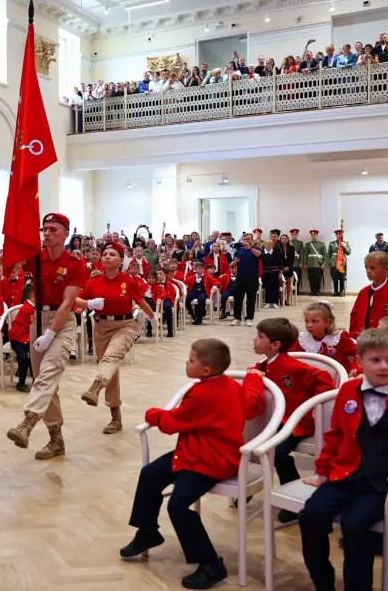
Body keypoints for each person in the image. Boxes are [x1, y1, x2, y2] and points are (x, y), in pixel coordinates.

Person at [120, 339, 264, 589]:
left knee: (178, 505)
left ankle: (210, 563)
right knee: (150, 474)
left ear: (206, 370)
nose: (187, 363)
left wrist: (151, 414)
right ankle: (148, 532)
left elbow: (171, 423)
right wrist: (254, 378)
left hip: (211, 460)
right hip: (192, 452)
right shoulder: (232, 386)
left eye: (191, 360)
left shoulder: (202, 394)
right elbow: (253, 403)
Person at [298, 329, 388, 591]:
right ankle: (323, 582)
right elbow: (335, 434)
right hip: (344, 475)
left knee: (356, 526)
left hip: (378, 483)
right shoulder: (348, 389)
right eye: (375, 360)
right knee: (311, 516)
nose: (384, 366)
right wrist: (323, 470)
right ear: (359, 362)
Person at [6, 213, 86, 458]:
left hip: (62, 322)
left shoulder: (75, 263)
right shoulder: (36, 259)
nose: (47, 233)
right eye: (44, 229)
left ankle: (28, 421)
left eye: (53, 229)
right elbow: (10, 264)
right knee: (44, 380)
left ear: (65, 233)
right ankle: (56, 439)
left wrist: (51, 333)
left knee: (49, 372)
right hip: (37, 319)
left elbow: (68, 303)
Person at [250, 317, 336, 523]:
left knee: (278, 453)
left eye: (260, 337)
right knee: (249, 442)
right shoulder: (263, 365)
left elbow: (324, 378)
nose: (254, 340)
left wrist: (317, 407)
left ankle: (293, 495)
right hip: (275, 422)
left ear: (275, 345)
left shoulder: (293, 366)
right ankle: (249, 485)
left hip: (296, 423)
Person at [78, 241, 157, 434]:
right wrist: (89, 303)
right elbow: (76, 301)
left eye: (112, 254)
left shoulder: (128, 281)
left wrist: (153, 318)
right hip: (101, 327)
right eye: (104, 254)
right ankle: (116, 417)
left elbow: (140, 301)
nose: (106, 257)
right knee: (110, 370)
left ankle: (96, 387)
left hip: (125, 325)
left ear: (121, 260)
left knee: (110, 358)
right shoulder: (94, 282)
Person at [290, 300, 357, 375]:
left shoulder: (340, 337)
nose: (309, 325)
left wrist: (354, 367)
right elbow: (291, 357)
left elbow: (360, 354)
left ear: (327, 323)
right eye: (307, 321)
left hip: (337, 379)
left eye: (314, 321)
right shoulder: (302, 339)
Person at [349, 251, 388, 338]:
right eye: (366, 268)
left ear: (386, 269)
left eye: (373, 268)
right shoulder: (363, 292)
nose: (368, 271)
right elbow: (354, 317)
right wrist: (353, 338)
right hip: (363, 342)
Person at [229, 232, 262, 327]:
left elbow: (259, 255)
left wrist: (249, 247)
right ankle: (237, 318)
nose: (246, 241)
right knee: (238, 298)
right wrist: (235, 262)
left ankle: (249, 318)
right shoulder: (239, 250)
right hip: (240, 278)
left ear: (252, 240)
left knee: (251, 299)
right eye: (244, 239)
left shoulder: (256, 249)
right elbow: (232, 265)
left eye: (248, 239)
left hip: (252, 278)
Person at [7, 284, 34, 393]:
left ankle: (36, 381)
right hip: (17, 339)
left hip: (27, 338)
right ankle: (21, 383)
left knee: (34, 357)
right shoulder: (29, 309)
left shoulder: (31, 307)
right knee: (23, 359)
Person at [184, 261, 217, 325]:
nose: (201, 270)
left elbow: (216, 282)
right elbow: (185, 283)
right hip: (194, 291)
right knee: (187, 299)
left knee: (201, 300)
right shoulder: (191, 277)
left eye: (202, 268)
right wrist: (185, 286)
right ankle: (193, 314)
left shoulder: (207, 276)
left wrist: (214, 286)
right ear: (195, 269)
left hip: (202, 291)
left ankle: (199, 318)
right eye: (199, 268)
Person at [327, 229, 351, 298]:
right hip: (334, 263)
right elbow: (329, 254)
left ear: (342, 235)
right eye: (337, 234)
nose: (338, 235)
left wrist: (344, 247)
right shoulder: (332, 243)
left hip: (342, 263)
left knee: (342, 278)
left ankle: (341, 292)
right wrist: (329, 264)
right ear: (335, 235)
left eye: (340, 234)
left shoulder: (346, 243)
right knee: (335, 278)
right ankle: (335, 292)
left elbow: (348, 252)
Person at [303, 229, 327, 297]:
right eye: (312, 235)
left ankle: (318, 291)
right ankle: (312, 291)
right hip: (310, 264)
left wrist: (324, 263)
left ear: (317, 235)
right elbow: (305, 255)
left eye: (315, 235)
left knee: (318, 278)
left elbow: (325, 255)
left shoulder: (321, 244)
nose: (313, 236)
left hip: (318, 264)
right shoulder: (308, 244)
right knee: (311, 278)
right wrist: (305, 264)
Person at [260, 239, 282, 308]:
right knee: (268, 288)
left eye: (269, 244)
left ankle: (275, 302)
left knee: (275, 287)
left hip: (275, 273)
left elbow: (281, 263)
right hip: (265, 274)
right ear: (264, 245)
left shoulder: (276, 253)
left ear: (272, 245)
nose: (268, 246)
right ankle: (268, 302)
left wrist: (280, 273)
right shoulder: (261, 253)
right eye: (266, 244)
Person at [277, 234, 296, 306]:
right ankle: (282, 299)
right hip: (281, 268)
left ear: (287, 240)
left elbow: (292, 259)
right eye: (282, 238)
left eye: (285, 238)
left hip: (289, 267)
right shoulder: (277, 248)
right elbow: (278, 259)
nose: (284, 240)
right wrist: (282, 268)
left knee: (289, 284)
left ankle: (288, 299)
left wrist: (288, 266)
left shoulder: (291, 248)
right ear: (280, 240)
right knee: (281, 284)